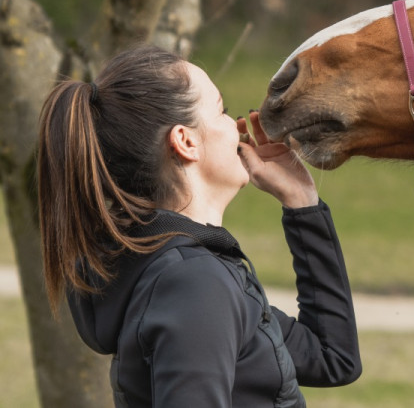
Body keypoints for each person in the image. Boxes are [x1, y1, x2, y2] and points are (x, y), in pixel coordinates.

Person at [36, 45, 361, 407]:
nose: (237, 124)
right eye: (220, 110)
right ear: (186, 141)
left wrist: (303, 203)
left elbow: (334, 359)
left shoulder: (183, 270)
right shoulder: (195, 284)